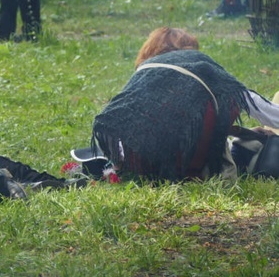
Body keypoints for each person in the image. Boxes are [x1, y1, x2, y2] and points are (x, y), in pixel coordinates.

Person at [83, 26, 279, 181]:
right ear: (189, 52)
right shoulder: (202, 66)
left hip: (139, 168)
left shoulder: (143, 73)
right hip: (191, 170)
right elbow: (252, 102)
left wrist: (119, 163)